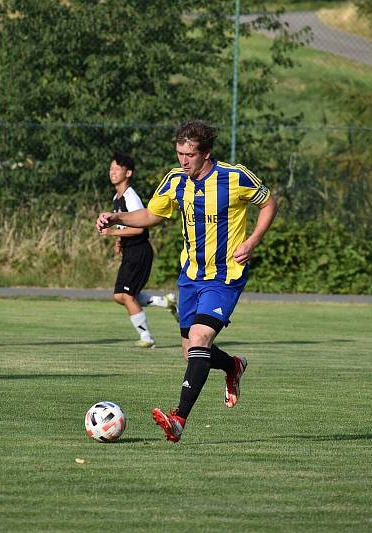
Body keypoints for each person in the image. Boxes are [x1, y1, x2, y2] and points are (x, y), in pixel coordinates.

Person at [96, 120, 278, 442]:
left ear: (206, 153)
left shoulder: (234, 177)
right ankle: (233, 366)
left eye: (189, 155)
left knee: (199, 338)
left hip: (225, 276)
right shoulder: (175, 180)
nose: (183, 161)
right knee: (192, 352)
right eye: (179, 153)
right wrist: (118, 217)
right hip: (190, 278)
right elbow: (152, 215)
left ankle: (178, 419)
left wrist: (251, 242)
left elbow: (268, 203)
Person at [98, 152, 178, 348]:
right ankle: (163, 302)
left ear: (129, 173)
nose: (113, 172)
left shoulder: (130, 196)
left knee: (126, 296)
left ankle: (147, 339)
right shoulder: (117, 197)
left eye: (117, 169)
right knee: (120, 296)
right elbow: (124, 225)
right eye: (111, 169)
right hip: (130, 251)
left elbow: (141, 227)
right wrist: (118, 240)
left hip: (140, 250)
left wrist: (111, 233)